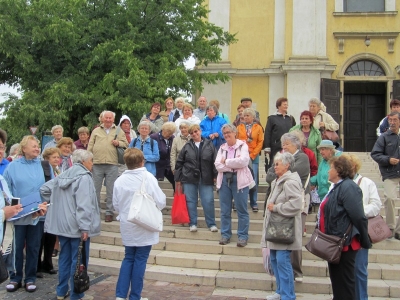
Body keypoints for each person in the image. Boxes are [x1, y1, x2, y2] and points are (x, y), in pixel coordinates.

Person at [40, 149, 101, 300]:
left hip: (63, 226)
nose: (92, 164)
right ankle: (77, 294)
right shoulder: (84, 177)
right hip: (77, 227)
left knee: (64, 258)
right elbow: (84, 205)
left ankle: (61, 291)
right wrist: (85, 227)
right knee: (79, 260)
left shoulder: (64, 174)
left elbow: (44, 189)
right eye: (91, 161)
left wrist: (58, 205)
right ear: (84, 161)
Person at [113, 148, 166, 300]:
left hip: (128, 223)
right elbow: (161, 201)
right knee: (141, 259)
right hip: (145, 223)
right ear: (142, 161)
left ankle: (120, 295)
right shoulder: (148, 177)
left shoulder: (119, 180)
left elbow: (116, 205)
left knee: (128, 257)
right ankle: (135, 296)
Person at [318, 155, 371, 300]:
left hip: (345, 244)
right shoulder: (337, 187)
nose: (328, 171)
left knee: (345, 286)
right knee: (338, 285)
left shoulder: (349, 187)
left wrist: (365, 239)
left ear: (339, 170)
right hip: (335, 243)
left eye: (331, 168)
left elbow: (358, 216)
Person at [3, 135, 49, 293]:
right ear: (24, 148)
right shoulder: (13, 166)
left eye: (38, 146)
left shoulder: (43, 165)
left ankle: (30, 278)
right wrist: (11, 209)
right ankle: (15, 277)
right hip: (18, 216)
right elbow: (6, 191)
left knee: (34, 247)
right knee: (16, 248)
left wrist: (45, 204)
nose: (37, 148)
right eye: (34, 146)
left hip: (37, 215)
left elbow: (50, 188)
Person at [261, 152, 302, 300]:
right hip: (275, 229)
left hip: (284, 230)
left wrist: (277, 208)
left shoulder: (290, 182)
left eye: (277, 164)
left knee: (282, 262)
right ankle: (280, 291)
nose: (274, 166)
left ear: (287, 165)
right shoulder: (278, 181)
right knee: (275, 260)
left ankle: (288, 295)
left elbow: (297, 205)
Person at [343, 154, 381, 300]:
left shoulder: (367, 183)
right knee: (344, 271)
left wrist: (358, 211)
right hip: (342, 231)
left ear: (353, 166)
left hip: (359, 230)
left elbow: (376, 205)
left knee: (359, 269)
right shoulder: (336, 183)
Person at [215, 124, 253, 247]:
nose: (226, 135)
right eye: (224, 133)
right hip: (225, 180)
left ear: (234, 132)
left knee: (242, 210)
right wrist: (233, 163)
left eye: (228, 132)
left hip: (240, 180)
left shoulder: (243, 145)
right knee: (225, 210)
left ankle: (242, 236)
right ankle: (225, 234)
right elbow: (217, 165)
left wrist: (226, 161)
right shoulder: (222, 148)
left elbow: (243, 162)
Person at [174, 124, 218, 232]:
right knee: (190, 201)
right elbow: (179, 163)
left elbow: (215, 161)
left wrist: (215, 175)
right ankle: (192, 223)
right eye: (192, 133)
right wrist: (178, 179)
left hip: (206, 177)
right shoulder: (187, 146)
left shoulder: (209, 144)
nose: (194, 134)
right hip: (189, 178)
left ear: (200, 131)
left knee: (208, 201)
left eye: (196, 131)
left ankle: (211, 224)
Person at [88, 110, 129, 222]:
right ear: (102, 118)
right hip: (97, 163)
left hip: (112, 163)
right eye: (106, 117)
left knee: (111, 190)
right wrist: (88, 161)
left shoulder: (119, 131)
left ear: (113, 119)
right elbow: (90, 146)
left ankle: (109, 212)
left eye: (110, 118)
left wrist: (118, 143)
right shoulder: (96, 130)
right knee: (95, 189)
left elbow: (126, 144)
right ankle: (95, 211)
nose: (108, 120)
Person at [371, 111, 400, 240]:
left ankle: (399, 230)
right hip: (390, 172)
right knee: (389, 198)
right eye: (390, 120)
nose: (392, 123)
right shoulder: (384, 137)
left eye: (395, 120)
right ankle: (390, 227)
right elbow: (375, 154)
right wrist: (388, 160)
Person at [37, 147, 61, 277]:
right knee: (40, 239)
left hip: (53, 208)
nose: (57, 159)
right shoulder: (43, 169)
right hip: (44, 207)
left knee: (50, 238)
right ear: (47, 159)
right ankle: (38, 265)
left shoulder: (57, 170)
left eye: (58, 157)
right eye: (54, 157)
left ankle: (48, 263)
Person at [237, 108, 264, 212]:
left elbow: (260, 142)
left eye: (248, 115)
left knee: (254, 179)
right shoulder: (239, 127)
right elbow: (237, 140)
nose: (246, 117)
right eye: (245, 115)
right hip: (242, 155)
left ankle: (254, 202)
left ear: (253, 117)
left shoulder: (258, 128)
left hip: (253, 156)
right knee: (241, 178)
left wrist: (253, 154)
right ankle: (240, 202)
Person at [264, 97, 296, 168]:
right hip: (276, 147)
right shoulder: (272, 118)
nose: (286, 106)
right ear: (279, 106)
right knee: (276, 164)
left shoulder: (290, 118)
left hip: (288, 147)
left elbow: (294, 131)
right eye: (284, 104)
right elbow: (268, 133)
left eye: (287, 104)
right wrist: (267, 147)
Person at [150, 122, 176, 190]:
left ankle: (177, 198)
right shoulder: (154, 137)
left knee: (176, 181)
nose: (170, 134)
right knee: (153, 184)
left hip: (168, 165)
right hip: (157, 165)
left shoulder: (172, 138)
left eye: (171, 133)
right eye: (168, 132)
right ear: (163, 130)